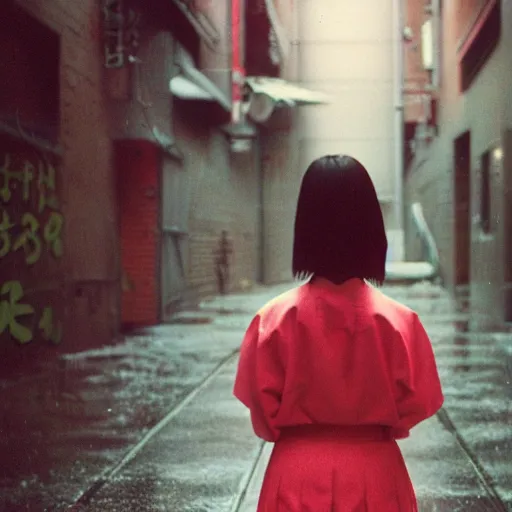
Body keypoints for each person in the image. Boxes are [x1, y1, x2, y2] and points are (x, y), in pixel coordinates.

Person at [233, 155, 444, 511]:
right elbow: (416, 406)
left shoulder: (271, 322)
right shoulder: (400, 323)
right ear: (371, 229)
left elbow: (263, 415)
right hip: (375, 475)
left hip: (296, 475)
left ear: (305, 226)